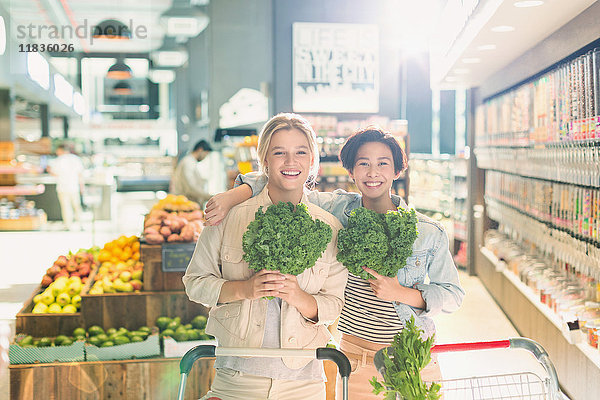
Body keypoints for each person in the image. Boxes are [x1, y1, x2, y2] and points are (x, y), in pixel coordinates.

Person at [205, 126, 465, 399]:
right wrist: (232, 196)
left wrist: (400, 293)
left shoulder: (426, 231)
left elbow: (453, 295)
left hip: (413, 357)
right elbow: (283, 180)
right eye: (363, 164)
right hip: (352, 358)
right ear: (351, 171)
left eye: (382, 164)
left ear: (398, 171)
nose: (373, 173)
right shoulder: (337, 209)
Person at [182, 113, 348, 400]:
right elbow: (195, 282)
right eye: (279, 152)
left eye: (300, 152)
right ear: (265, 161)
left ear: (312, 161)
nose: (290, 162)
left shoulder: (329, 227)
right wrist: (243, 289)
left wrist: (298, 296)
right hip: (237, 378)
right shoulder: (230, 216)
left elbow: (334, 306)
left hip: (304, 383)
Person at [48, 144, 85, 231]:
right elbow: (80, 174)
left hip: (62, 187)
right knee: (77, 206)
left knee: (66, 207)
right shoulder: (76, 159)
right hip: (74, 187)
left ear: (60, 150)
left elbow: (54, 173)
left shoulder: (58, 160)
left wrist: (49, 170)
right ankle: (81, 224)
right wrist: (82, 187)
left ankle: (68, 225)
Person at [171, 140, 213, 205]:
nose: (205, 157)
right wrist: (208, 196)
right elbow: (191, 186)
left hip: (187, 202)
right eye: (205, 154)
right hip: (184, 203)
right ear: (200, 150)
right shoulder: (188, 162)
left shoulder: (191, 161)